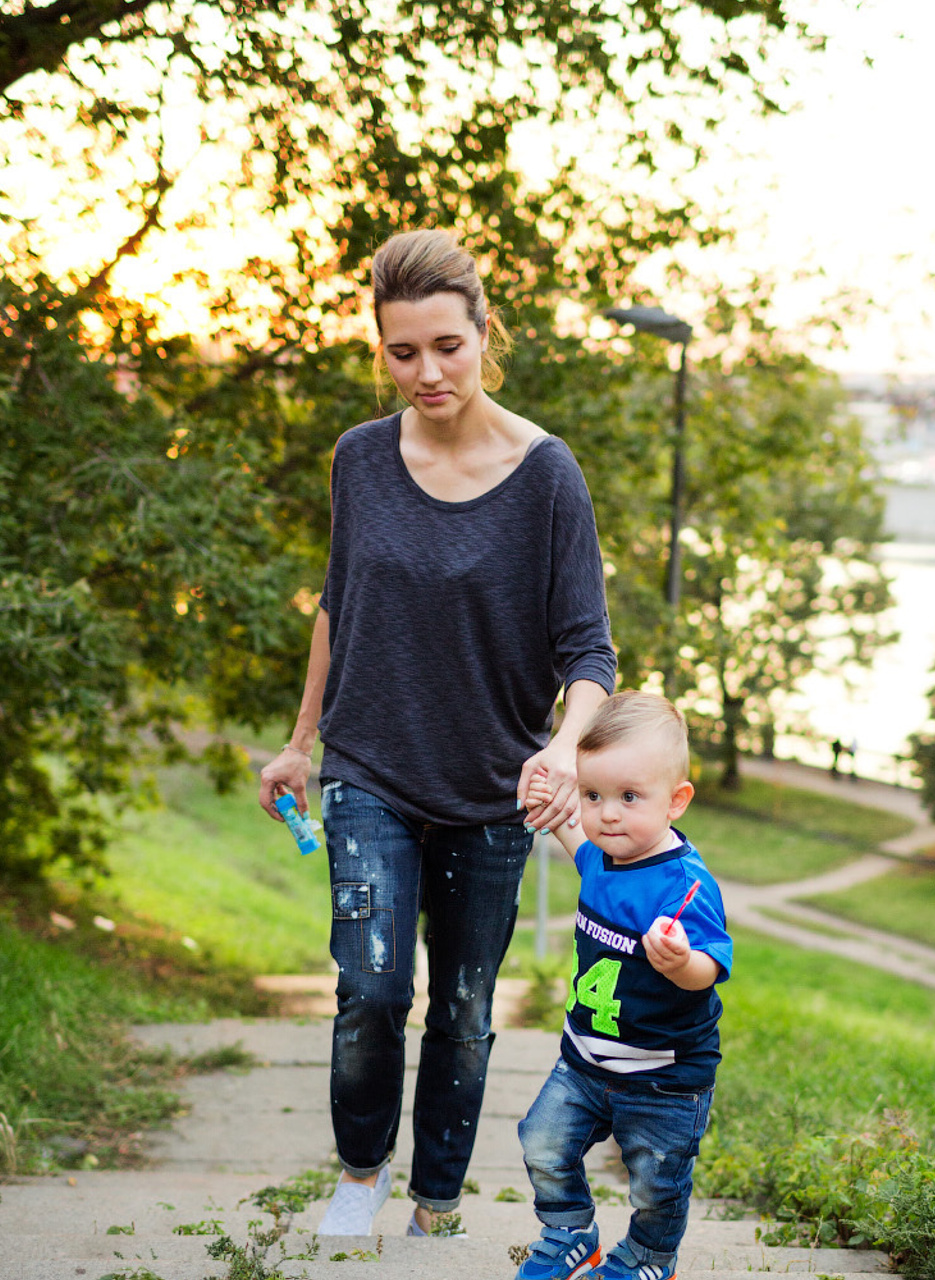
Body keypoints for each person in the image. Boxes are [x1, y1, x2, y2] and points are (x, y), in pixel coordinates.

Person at [257, 228, 617, 1238]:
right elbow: (339, 603)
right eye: (401, 351)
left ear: (481, 332)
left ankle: (435, 1196)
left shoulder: (546, 474)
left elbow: (589, 651)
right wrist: (299, 740)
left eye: (445, 347)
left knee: (461, 1007)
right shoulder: (359, 460)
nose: (425, 372)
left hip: (491, 786)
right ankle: (360, 1169)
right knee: (371, 986)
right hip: (367, 764)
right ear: (380, 347)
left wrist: (559, 750)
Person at [513, 690, 732, 1280]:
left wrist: (679, 962)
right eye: (593, 795)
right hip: (583, 1060)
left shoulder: (684, 884)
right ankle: (568, 1233)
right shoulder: (603, 856)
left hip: (664, 1078)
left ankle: (648, 1256)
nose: (607, 813)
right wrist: (552, 806)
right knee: (541, 1142)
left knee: (656, 1181)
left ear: (675, 801)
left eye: (629, 797)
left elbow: (711, 965)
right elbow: (576, 844)